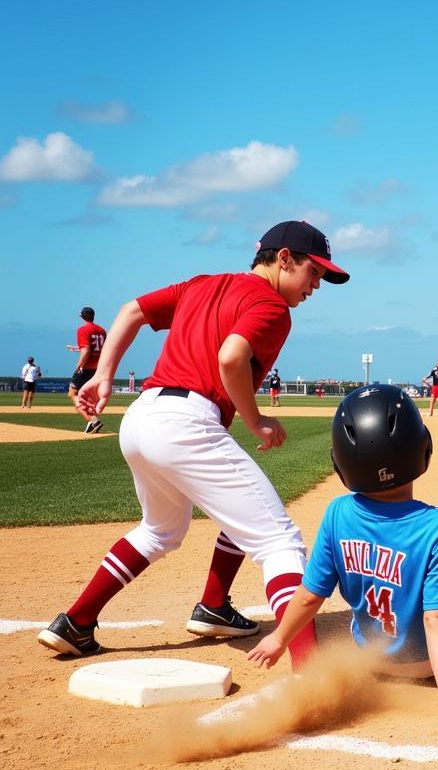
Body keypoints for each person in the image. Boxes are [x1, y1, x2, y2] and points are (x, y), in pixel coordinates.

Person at [38, 221, 350, 668]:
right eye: (313, 273)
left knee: (162, 530)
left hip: (142, 417)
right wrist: (256, 419)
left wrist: (103, 376)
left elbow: (130, 311)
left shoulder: (201, 285)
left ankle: (80, 622)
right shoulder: (273, 307)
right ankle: (311, 669)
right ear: (283, 259)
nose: (316, 286)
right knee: (278, 541)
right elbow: (230, 357)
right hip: (187, 423)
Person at [248, 384, 438, 729]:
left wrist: (278, 638)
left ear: (342, 462)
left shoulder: (336, 513)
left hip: (372, 657)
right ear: (422, 448)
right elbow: (437, 618)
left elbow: (310, 595)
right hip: (434, 663)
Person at [67, 306, 108, 434]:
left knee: (73, 394)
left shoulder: (83, 330)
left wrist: (79, 365)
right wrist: (77, 348)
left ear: (82, 317)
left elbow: (86, 350)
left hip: (86, 368)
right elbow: (97, 348)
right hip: (97, 368)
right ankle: (93, 420)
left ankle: (93, 421)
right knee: (89, 398)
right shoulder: (102, 330)